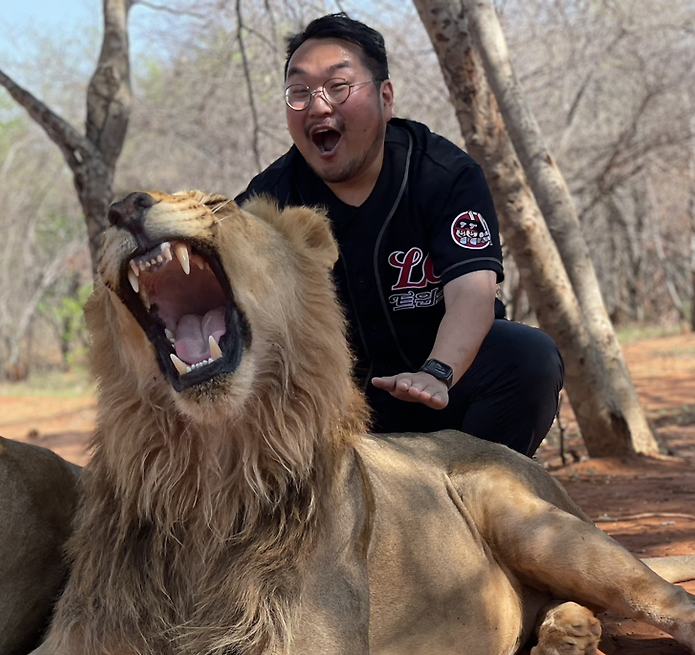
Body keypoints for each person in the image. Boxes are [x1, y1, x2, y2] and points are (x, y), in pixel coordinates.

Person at [236, 13, 563, 458]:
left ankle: (480, 492)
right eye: (300, 92)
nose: (318, 106)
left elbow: (473, 293)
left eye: (338, 86)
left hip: (446, 387)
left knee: (527, 356)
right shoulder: (267, 200)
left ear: (385, 97)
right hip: (339, 413)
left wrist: (437, 372)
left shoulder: (444, 174)